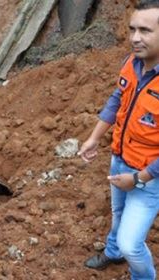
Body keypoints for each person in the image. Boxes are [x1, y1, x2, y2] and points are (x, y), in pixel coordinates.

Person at [79, 1, 159, 279]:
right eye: (132, 29)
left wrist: (138, 179)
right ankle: (113, 254)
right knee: (117, 213)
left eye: (145, 31)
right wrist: (94, 138)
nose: (136, 38)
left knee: (132, 245)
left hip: (148, 177)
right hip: (119, 160)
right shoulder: (131, 63)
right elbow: (117, 99)